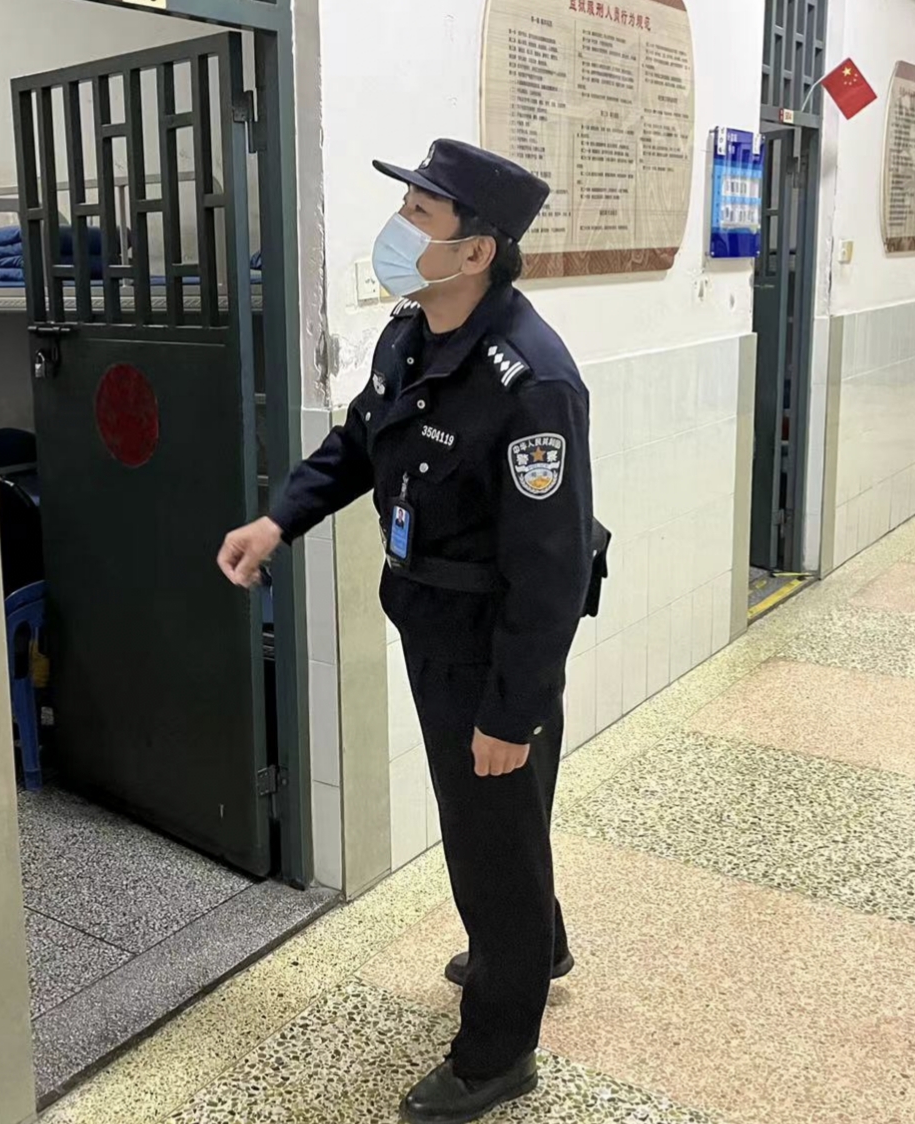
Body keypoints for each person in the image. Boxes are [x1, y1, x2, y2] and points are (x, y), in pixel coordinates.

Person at [218, 138, 606, 1124]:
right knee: (494, 822)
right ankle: (538, 941)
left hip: (491, 644)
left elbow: (551, 574)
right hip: (429, 621)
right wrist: (278, 520)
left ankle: (497, 1052)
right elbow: (357, 442)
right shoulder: (411, 336)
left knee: (490, 837)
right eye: (407, 208)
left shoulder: (532, 382)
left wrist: (511, 712)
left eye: (421, 215)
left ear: (476, 251)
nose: (399, 230)